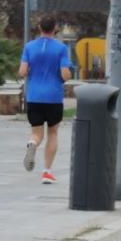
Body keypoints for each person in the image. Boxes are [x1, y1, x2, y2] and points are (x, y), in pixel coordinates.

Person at [19, 15, 72, 184]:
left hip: (34, 95)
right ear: (54, 28)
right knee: (53, 132)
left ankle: (32, 143)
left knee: (36, 132)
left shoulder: (29, 47)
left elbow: (22, 71)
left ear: (40, 28)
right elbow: (65, 74)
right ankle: (47, 172)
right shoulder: (61, 48)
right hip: (53, 96)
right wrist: (66, 76)